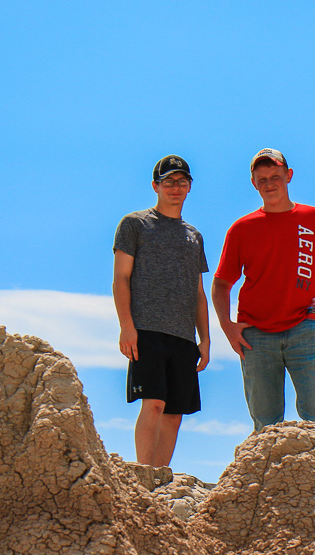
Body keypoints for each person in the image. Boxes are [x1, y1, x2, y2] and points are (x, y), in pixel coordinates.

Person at [212, 148, 315, 431]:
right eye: (262, 178)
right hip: (255, 334)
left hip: (306, 329)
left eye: (275, 176)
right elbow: (221, 283)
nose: (269, 184)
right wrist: (227, 326)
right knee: (265, 425)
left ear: (288, 176)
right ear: (253, 183)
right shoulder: (241, 228)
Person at [112, 155, 211, 467]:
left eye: (181, 182)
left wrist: (205, 339)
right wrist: (127, 327)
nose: (175, 187)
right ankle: (143, 474)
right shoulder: (135, 224)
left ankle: (160, 479)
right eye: (168, 181)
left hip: (183, 335)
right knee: (153, 403)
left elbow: (198, 293)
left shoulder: (194, 236)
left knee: (175, 414)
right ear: (156, 185)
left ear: (190, 187)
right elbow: (121, 278)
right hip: (147, 330)